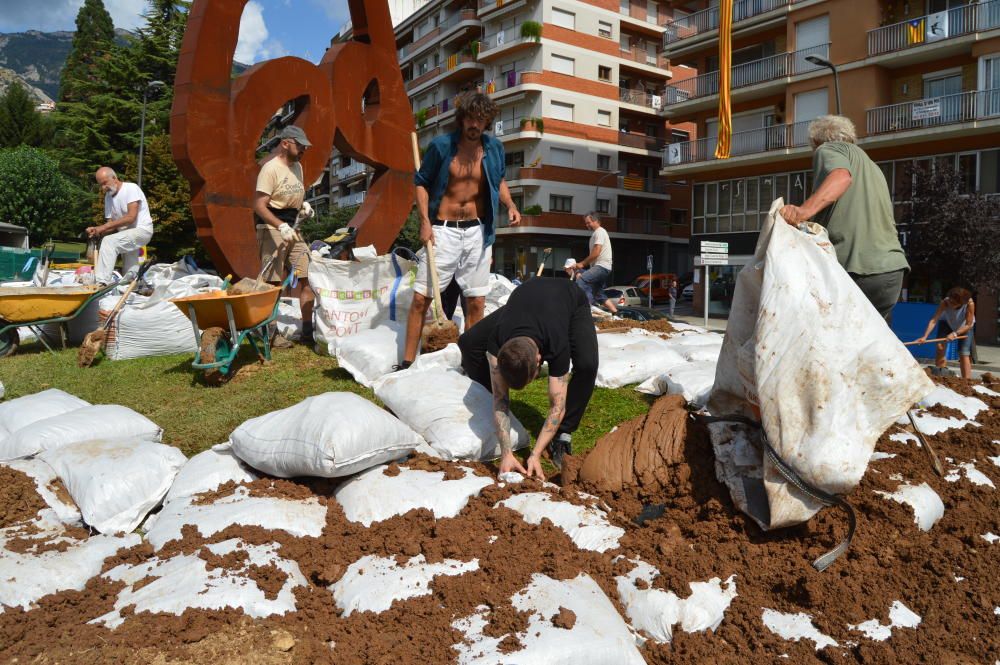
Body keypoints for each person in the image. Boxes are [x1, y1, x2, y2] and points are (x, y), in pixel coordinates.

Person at [397, 92, 521, 370]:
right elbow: (421, 183)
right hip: (443, 230)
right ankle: (407, 362)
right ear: (461, 118)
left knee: (476, 301)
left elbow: (499, 180)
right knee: (421, 299)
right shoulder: (442, 146)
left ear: (487, 121)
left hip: (478, 232)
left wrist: (510, 204)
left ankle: (471, 363)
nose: (474, 124)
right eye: (470, 118)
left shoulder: (494, 149)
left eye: (480, 119)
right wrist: (425, 222)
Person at [458, 277, 598, 479]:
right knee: (469, 342)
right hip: (526, 297)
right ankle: (488, 399)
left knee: (587, 365)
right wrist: (506, 453)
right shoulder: (497, 340)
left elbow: (557, 406)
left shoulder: (557, 344)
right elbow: (500, 400)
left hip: (568, 296)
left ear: (540, 359)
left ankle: (563, 433)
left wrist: (535, 454)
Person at [780, 116, 909, 322]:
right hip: (891, 272)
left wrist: (802, 212)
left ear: (815, 142)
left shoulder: (828, 149)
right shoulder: (872, 166)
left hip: (857, 269)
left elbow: (841, 177)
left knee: (827, 337)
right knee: (871, 344)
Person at [254, 125, 316, 346]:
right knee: (273, 284)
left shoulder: (297, 167)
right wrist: (281, 226)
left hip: (294, 230)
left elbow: (293, 195)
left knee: (309, 276)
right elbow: (259, 206)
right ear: (285, 143)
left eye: (304, 146)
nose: (303, 150)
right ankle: (270, 335)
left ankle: (308, 331)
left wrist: (302, 207)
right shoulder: (270, 169)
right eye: (299, 145)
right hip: (272, 229)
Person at [88, 167, 154, 285]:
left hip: (142, 231)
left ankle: (101, 282)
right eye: (101, 185)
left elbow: (130, 218)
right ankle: (135, 287)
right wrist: (97, 230)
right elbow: (110, 225)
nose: (103, 188)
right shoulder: (108, 197)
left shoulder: (131, 188)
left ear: (114, 178)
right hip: (127, 234)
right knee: (129, 272)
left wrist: (102, 228)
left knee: (109, 242)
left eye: (105, 183)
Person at [915, 287, 976, 379]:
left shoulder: (969, 304)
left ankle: (967, 381)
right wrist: (925, 336)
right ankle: (940, 374)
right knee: (940, 346)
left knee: (963, 353)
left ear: (961, 302)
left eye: (953, 303)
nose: (950, 304)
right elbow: (934, 319)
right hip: (947, 322)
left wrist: (955, 334)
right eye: (950, 301)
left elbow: (968, 324)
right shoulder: (945, 302)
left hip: (965, 327)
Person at [573, 213, 618, 314]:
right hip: (602, 267)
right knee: (598, 294)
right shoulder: (595, 234)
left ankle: (585, 310)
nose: (587, 225)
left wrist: (582, 264)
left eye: (589, 223)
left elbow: (596, 252)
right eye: (586, 223)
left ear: (596, 221)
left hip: (601, 266)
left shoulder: (600, 232)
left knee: (582, 280)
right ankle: (615, 312)